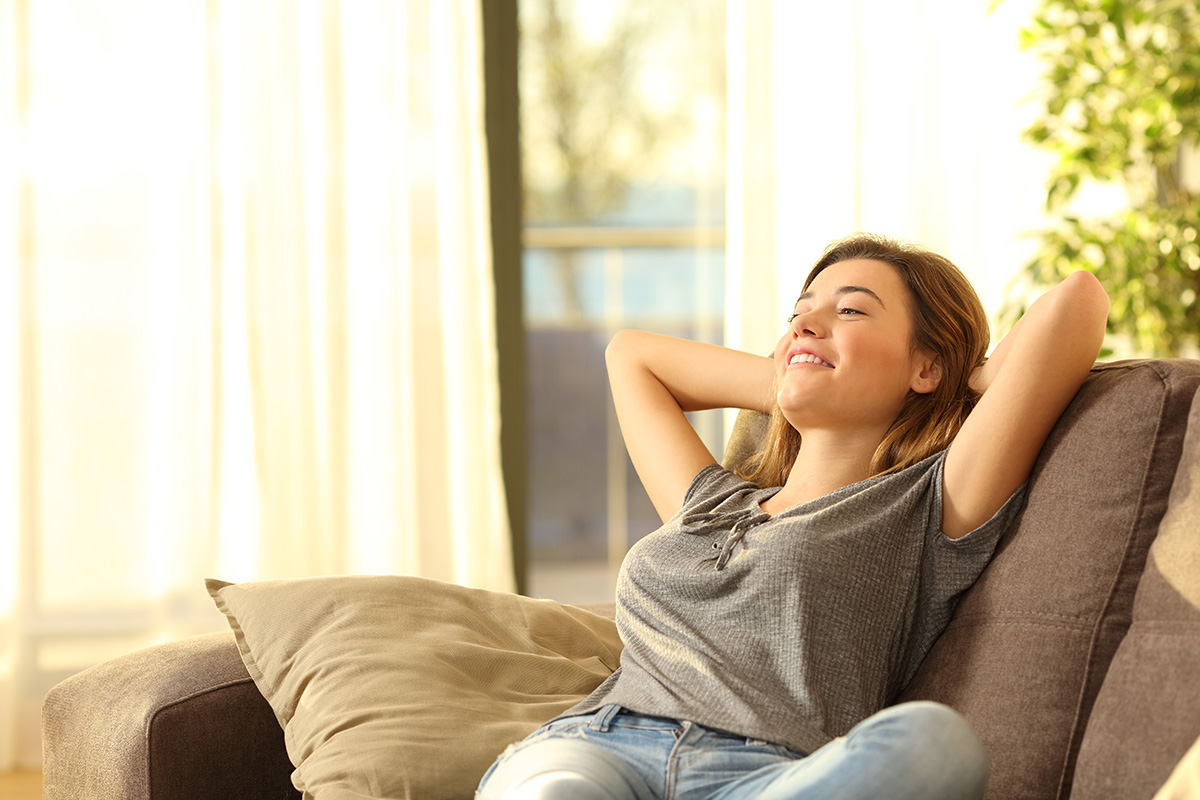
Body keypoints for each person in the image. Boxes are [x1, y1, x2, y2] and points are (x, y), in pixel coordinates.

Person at [476, 233, 1110, 800]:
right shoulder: (709, 501)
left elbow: (1076, 303)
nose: (806, 324)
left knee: (938, 741)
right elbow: (630, 355)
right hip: (599, 749)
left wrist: (958, 385)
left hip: (774, 778)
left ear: (926, 364)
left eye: (851, 309)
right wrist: (794, 375)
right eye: (798, 315)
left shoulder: (928, 504)